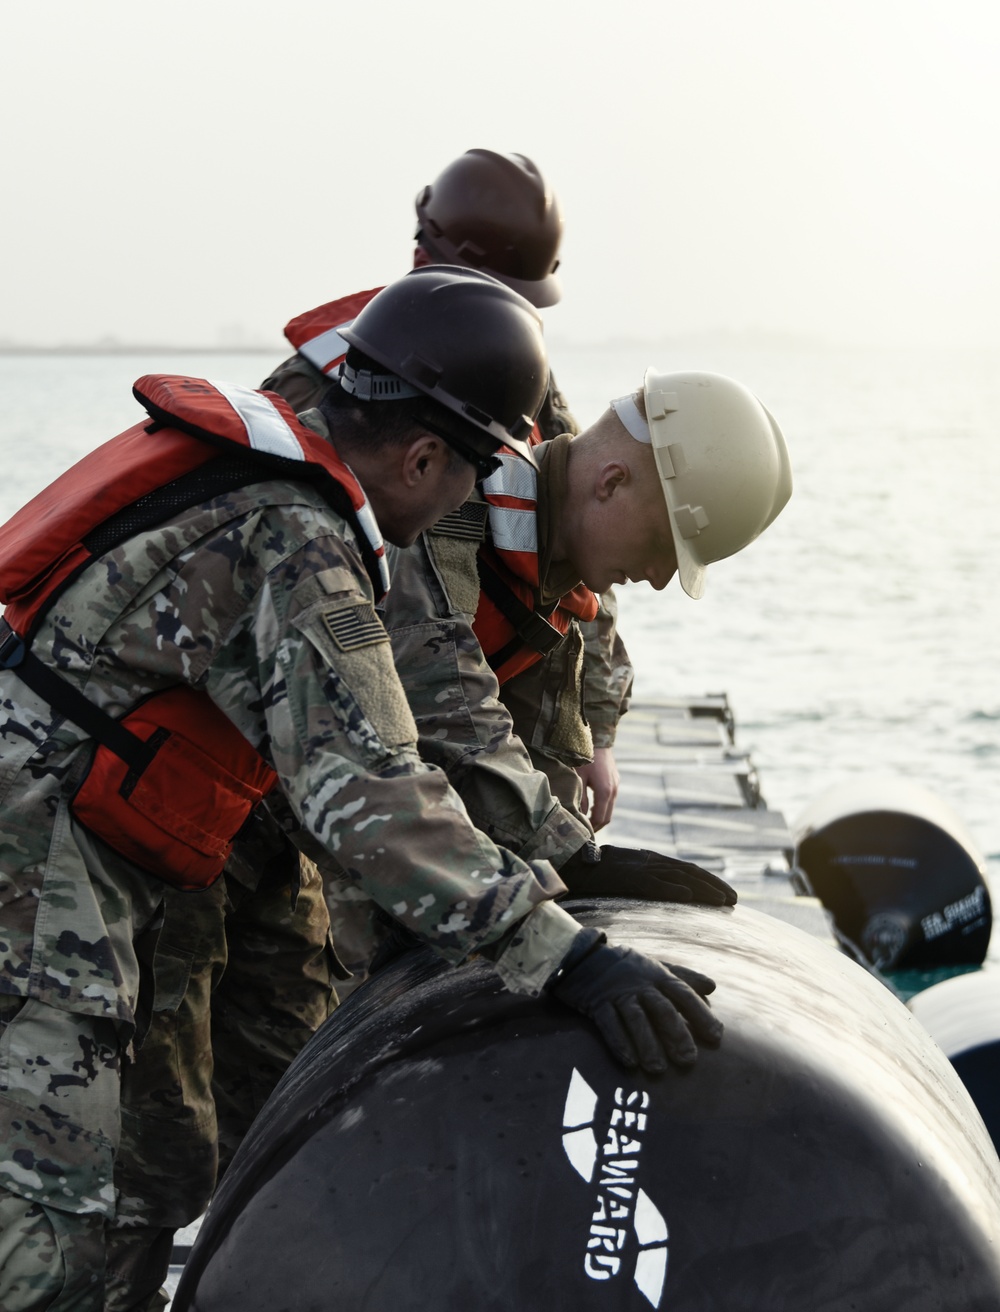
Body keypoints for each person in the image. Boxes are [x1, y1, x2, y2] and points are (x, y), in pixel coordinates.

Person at [0, 267, 724, 1311]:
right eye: (470, 475)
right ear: (423, 454)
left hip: (54, 837)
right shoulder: (301, 543)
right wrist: (568, 957)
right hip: (35, 864)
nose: (468, 504)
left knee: (123, 1177)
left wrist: (567, 855)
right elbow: (376, 797)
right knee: (52, 1232)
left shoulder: (255, 470)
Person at [332, 367, 794, 981]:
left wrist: (580, 862)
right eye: (662, 545)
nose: (658, 578)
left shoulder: (550, 567)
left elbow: (541, 752)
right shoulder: (451, 509)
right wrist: (574, 860)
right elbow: (447, 707)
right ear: (611, 482)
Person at [262, 147, 631, 826]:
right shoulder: (324, 390)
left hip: (493, 694)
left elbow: (576, 544)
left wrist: (589, 730)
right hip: (361, 702)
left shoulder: (523, 380)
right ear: (433, 260)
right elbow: (398, 624)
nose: (508, 314)